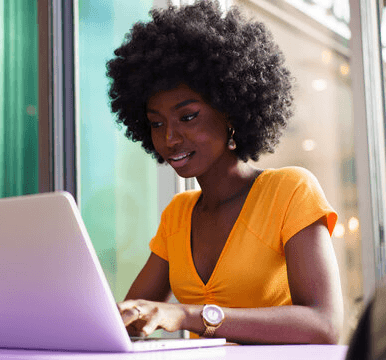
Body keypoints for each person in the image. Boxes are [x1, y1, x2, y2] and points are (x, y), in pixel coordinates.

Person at [106, 0, 344, 345]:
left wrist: (188, 314)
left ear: (231, 112)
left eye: (188, 117)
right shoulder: (178, 215)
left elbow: (324, 325)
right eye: (157, 123)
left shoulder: (290, 190)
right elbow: (130, 316)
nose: (170, 138)